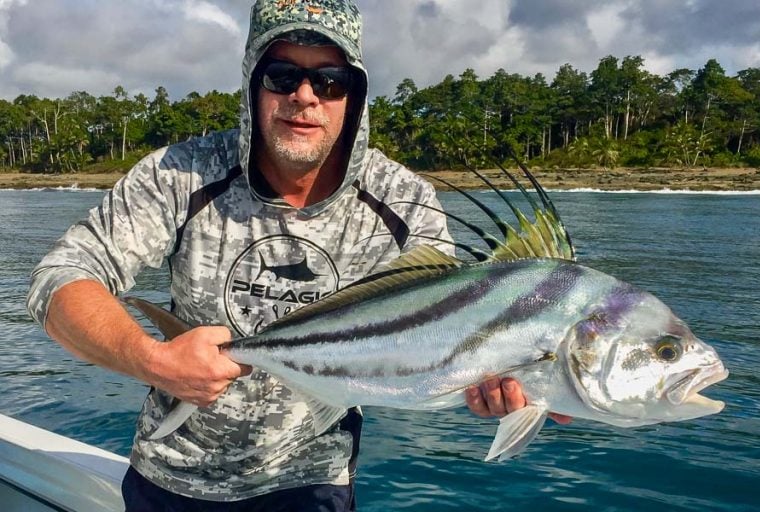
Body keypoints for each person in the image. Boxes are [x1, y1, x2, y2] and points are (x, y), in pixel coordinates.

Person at [27, 1, 566, 510]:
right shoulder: (180, 175)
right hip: (172, 481)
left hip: (313, 485)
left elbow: (450, 334)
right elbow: (61, 277)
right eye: (283, 75)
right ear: (252, 82)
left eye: (331, 81)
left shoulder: (404, 200)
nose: (306, 96)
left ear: (355, 95)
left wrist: (516, 381)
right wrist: (153, 360)